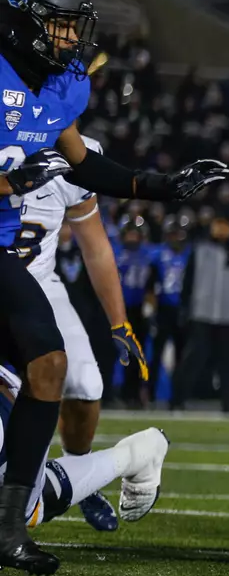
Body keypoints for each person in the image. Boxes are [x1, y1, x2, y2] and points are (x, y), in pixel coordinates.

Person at [0, 0, 225, 575]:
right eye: (63, 25)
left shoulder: (63, 85)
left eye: (76, 25)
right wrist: (9, 179)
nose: (73, 38)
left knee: (51, 362)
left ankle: (9, 525)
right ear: (24, 22)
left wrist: (160, 185)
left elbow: (80, 162)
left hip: (5, 261)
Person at [18, 135, 145, 530]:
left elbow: (95, 245)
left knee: (87, 384)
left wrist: (119, 321)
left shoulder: (72, 152)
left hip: (40, 283)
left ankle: (79, 477)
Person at [0, 366, 170, 532]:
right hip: (17, 394)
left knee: (17, 507)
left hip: (16, 409)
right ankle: (132, 455)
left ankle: (132, 456)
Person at [176, 214, 229, 414]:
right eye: (218, 225)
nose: (221, 230)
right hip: (203, 313)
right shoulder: (200, 249)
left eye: (225, 226)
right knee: (194, 359)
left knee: (227, 362)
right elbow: (188, 281)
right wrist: (185, 308)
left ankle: (227, 404)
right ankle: (178, 400)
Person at [112, 219, 155, 407]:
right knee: (115, 350)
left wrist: (150, 304)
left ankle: (136, 393)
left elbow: (153, 284)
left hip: (139, 310)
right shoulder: (115, 253)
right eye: (129, 233)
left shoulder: (150, 255)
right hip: (118, 307)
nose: (132, 237)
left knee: (138, 352)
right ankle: (113, 392)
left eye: (135, 233)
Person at [150, 216, 192, 405]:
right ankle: (149, 395)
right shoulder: (158, 254)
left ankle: (178, 398)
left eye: (179, 234)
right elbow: (150, 283)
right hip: (164, 308)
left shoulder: (191, 254)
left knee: (182, 356)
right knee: (157, 353)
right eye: (174, 234)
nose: (177, 238)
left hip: (184, 309)